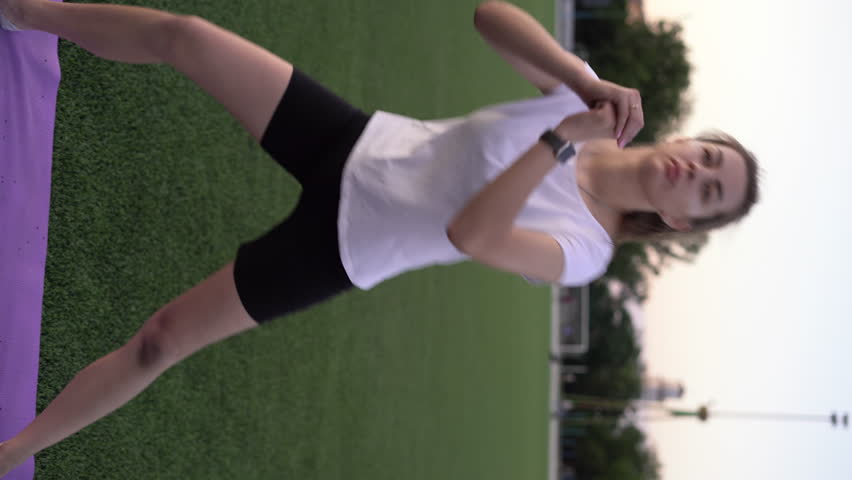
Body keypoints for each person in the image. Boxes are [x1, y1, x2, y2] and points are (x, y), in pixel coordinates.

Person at [0, 0, 759, 474]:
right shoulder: (587, 100)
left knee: (161, 341)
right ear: (693, 137)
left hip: (350, 247)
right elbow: (488, 16)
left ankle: (11, 453)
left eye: (708, 189)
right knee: (187, 36)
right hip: (355, 142)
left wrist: (561, 137)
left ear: (685, 220)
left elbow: (473, 232)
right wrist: (578, 79)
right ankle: (26, 12)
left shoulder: (588, 252)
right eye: (710, 156)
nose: (696, 168)